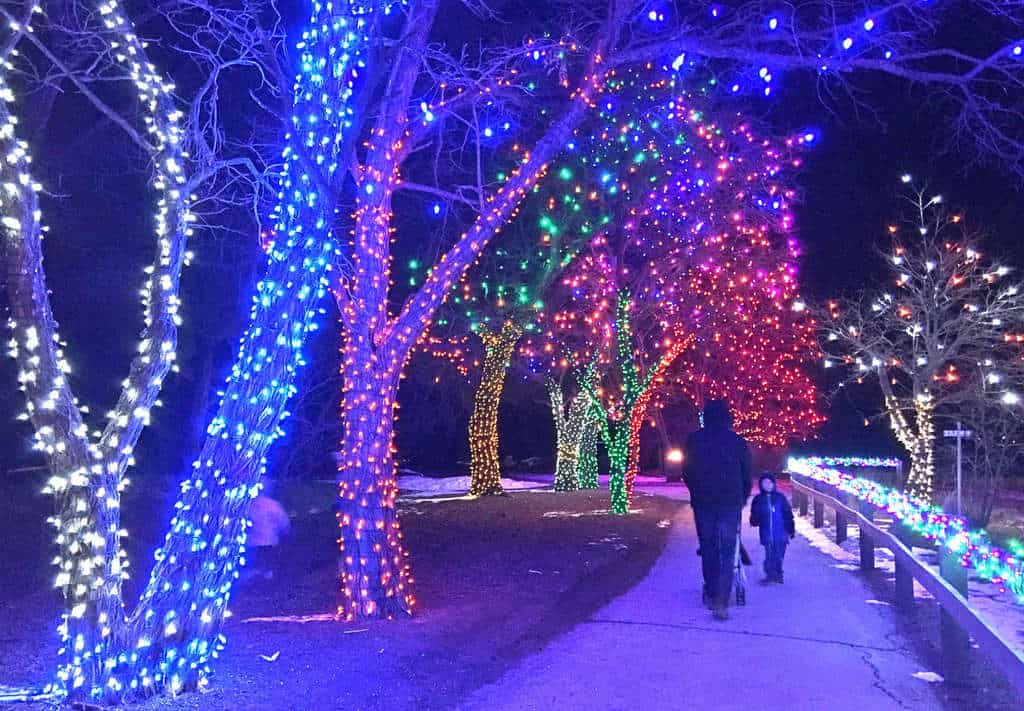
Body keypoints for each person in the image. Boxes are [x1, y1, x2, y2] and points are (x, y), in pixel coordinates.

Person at [683, 399, 752, 621]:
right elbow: (746, 473)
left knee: (709, 547)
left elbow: (687, 472)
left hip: (704, 502)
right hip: (730, 502)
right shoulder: (737, 442)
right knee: (727, 549)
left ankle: (712, 592)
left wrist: (696, 493)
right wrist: (742, 497)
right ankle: (723, 599)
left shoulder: (694, 441)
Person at [749, 473, 796, 584]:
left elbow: (788, 514)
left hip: (781, 533)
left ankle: (778, 573)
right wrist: (755, 519)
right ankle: (770, 575)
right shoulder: (758, 499)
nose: (767, 485)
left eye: (769, 482)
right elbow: (754, 516)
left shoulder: (780, 498)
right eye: (764, 482)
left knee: (779, 554)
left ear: (773, 484)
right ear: (761, 484)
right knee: (769, 554)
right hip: (766, 533)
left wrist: (791, 529)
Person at [246, 479, 291, 581]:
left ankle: (255, 581)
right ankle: (265, 581)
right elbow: (283, 522)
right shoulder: (272, 505)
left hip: (252, 543)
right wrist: (284, 531)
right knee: (267, 568)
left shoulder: (249, 505)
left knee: (254, 566)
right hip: (269, 541)